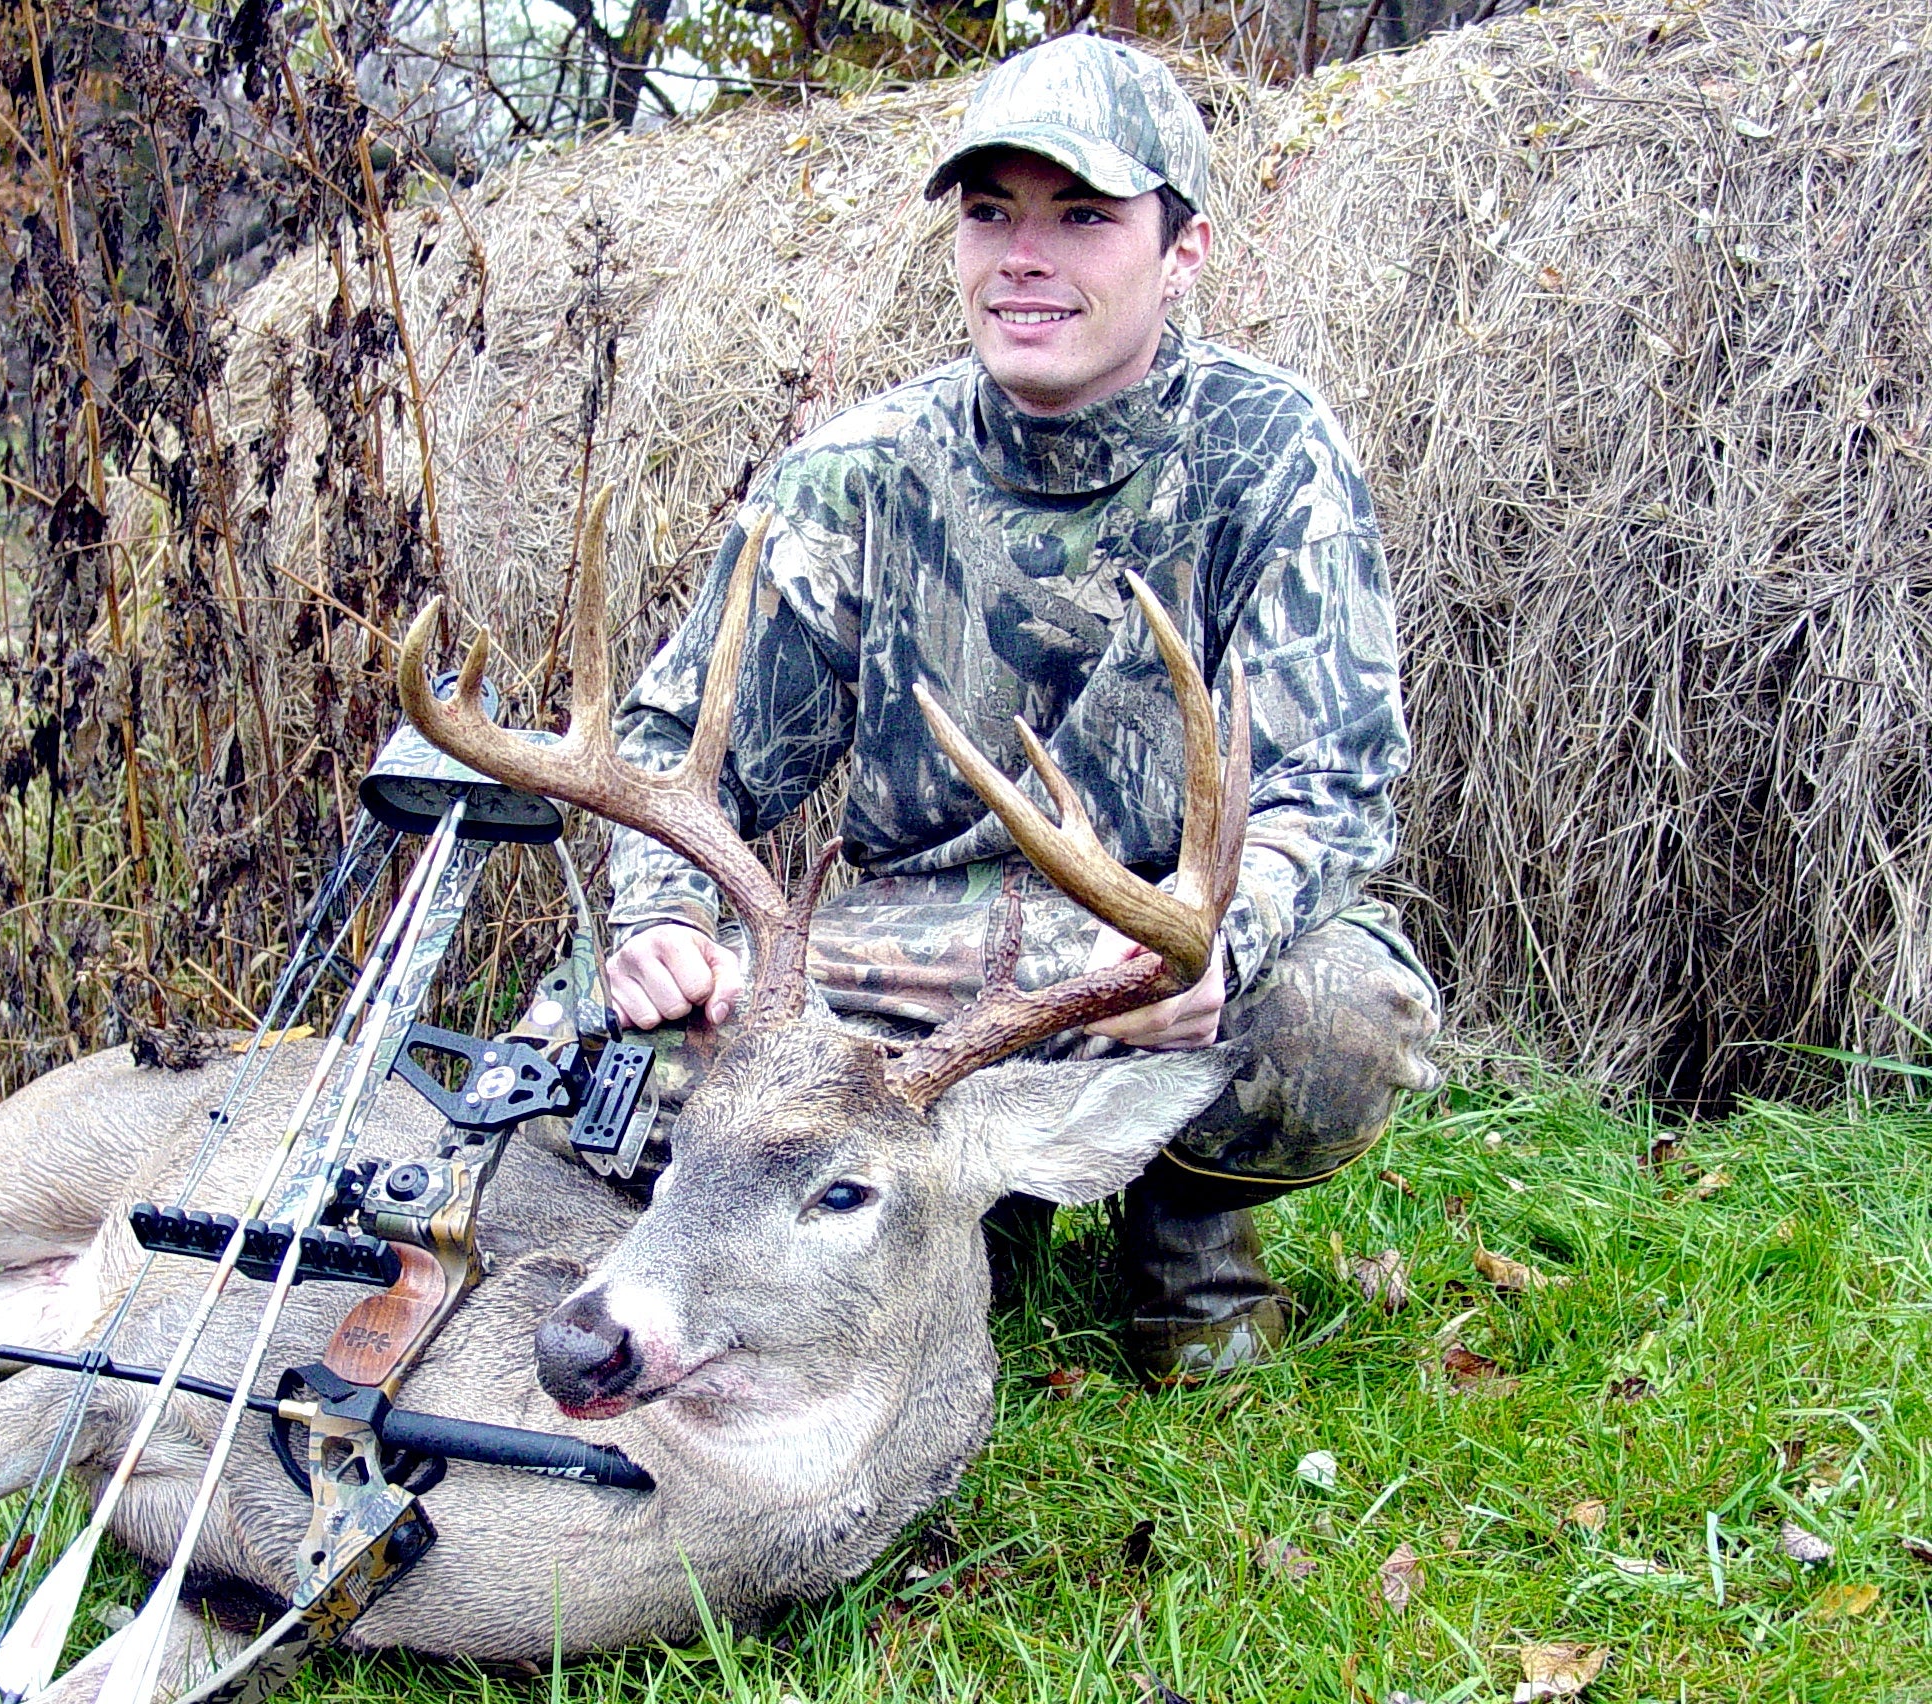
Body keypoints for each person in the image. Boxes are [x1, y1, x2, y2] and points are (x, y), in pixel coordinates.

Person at [599, 33, 1442, 1380]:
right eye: (992, 213)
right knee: (607, 1061)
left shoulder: (1269, 454)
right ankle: (943, 1231)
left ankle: (1187, 1232)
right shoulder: (855, 476)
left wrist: (1222, 940)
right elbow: (670, 755)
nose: (1024, 257)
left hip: (1138, 955)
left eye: (1085, 218)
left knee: (1332, 1023)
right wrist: (663, 919)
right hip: (894, 960)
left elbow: (1326, 785)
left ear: (1185, 249)